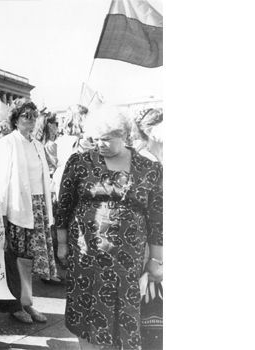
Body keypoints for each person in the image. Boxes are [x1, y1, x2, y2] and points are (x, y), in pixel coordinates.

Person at [55, 107, 163, 350]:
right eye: (95, 138)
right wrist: (61, 243)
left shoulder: (148, 167)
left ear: (123, 135)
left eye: (106, 139)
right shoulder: (79, 162)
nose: (99, 144)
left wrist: (157, 258)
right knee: (85, 310)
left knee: (121, 311)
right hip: (86, 255)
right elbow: (64, 205)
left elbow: (157, 216)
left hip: (127, 260)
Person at [0, 101, 58, 324]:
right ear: (15, 118)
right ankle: (17, 305)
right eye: (24, 115)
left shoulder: (37, 144)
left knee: (29, 260)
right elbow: (0, 182)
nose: (29, 119)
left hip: (38, 208)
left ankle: (27, 303)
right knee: (17, 259)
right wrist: (1, 216)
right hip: (18, 208)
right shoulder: (7, 142)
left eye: (33, 115)